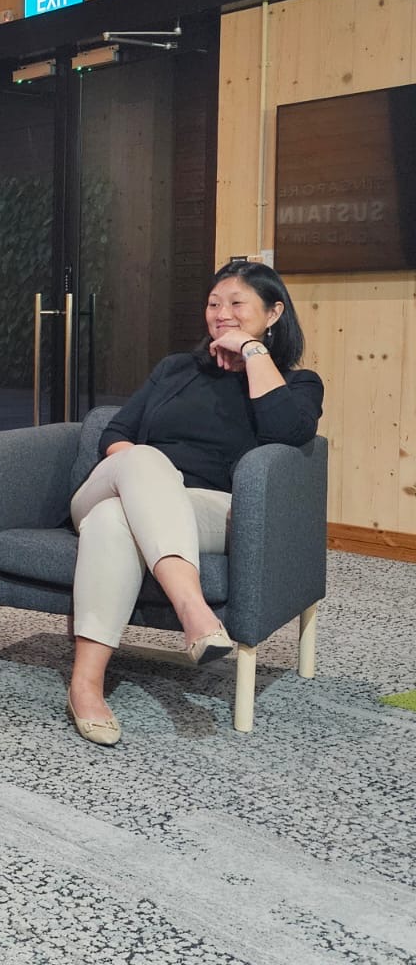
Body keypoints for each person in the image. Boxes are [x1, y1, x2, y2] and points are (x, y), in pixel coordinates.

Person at [65, 260, 324, 747]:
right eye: (213, 303)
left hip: (205, 508)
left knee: (113, 521)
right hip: (118, 481)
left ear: (273, 313)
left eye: (237, 304)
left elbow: (288, 433)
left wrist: (252, 352)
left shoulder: (299, 383)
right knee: (143, 462)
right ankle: (194, 611)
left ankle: (86, 686)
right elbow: (116, 433)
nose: (221, 313)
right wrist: (149, 481)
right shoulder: (175, 370)